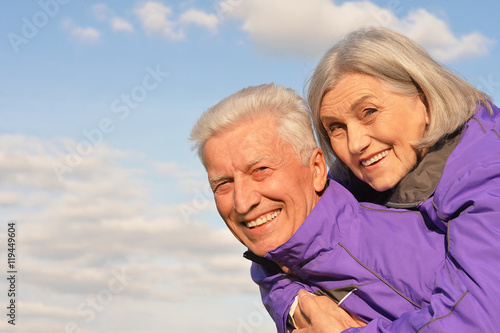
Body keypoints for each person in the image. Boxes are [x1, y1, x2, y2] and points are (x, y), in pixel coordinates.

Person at [189, 84, 447, 333]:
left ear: (316, 169)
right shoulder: (274, 265)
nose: (242, 203)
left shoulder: (406, 249)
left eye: (261, 170)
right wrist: (293, 304)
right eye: (223, 184)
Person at [299, 27, 500, 332]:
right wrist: (296, 307)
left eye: (368, 112)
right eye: (336, 127)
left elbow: (477, 320)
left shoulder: (488, 168)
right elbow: (280, 236)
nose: (355, 144)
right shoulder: (352, 176)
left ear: (424, 98)